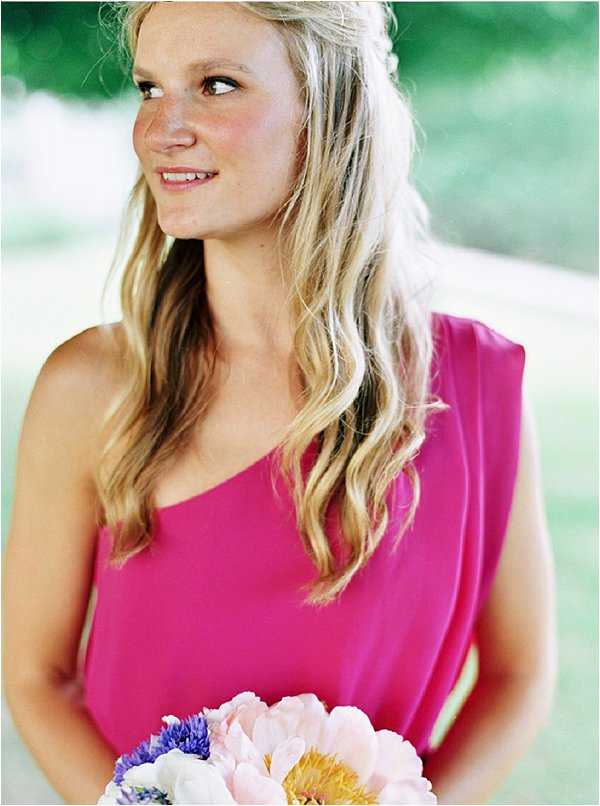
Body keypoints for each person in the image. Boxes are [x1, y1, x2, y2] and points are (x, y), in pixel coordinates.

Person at [3, 2, 557, 804]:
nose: (162, 129)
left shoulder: (472, 384)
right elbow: (35, 677)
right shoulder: (92, 389)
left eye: (216, 85)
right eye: (150, 88)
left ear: (330, 112)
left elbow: (519, 672)